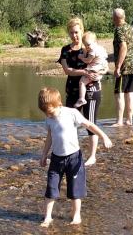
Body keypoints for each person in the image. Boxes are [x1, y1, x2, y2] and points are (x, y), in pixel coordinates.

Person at [38, 87, 112, 227]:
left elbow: (89, 124)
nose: (48, 115)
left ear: (58, 103)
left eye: (50, 111)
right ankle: (47, 217)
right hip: (56, 159)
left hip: (74, 158)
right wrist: (44, 154)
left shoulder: (71, 113)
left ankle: (76, 214)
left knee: (75, 188)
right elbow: (49, 137)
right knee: (51, 187)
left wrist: (104, 136)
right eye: (45, 113)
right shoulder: (48, 119)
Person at [58, 17, 103, 166]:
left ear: (81, 31)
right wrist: (85, 72)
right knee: (70, 123)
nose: (74, 36)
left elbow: (103, 63)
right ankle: (72, 153)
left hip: (91, 90)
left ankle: (92, 156)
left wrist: (100, 73)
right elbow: (67, 70)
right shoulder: (66, 50)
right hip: (72, 91)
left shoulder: (90, 47)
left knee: (90, 122)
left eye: (76, 32)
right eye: (71, 33)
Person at [112, 8, 133, 127]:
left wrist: (118, 67)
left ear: (115, 18)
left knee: (120, 93)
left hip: (125, 67)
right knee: (130, 93)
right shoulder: (131, 28)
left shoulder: (119, 30)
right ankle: (129, 120)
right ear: (124, 17)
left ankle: (119, 121)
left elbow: (123, 47)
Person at [74, 31, 108, 108]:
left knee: (82, 83)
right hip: (101, 68)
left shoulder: (93, 51)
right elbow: (105, 58)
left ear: (95, 41)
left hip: (93, 69)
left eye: (88, 44)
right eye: (85, 45)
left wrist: (81, 57)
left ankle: (81, 99)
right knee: (97, 81)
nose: (87, 47)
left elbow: (88, 60)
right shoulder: (101, 48)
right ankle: (100, 93)